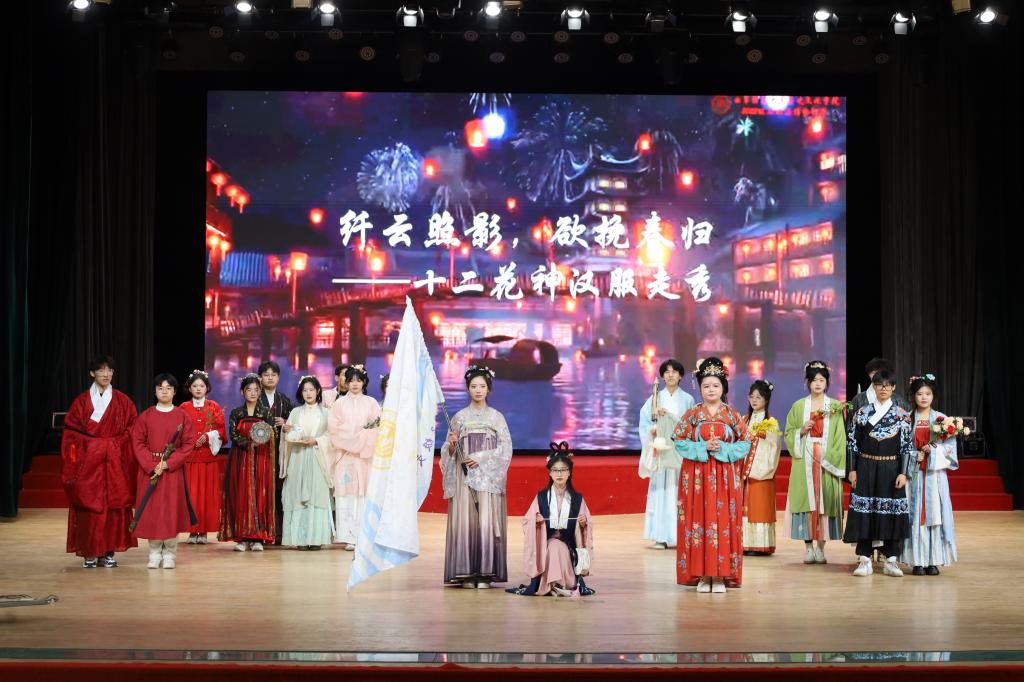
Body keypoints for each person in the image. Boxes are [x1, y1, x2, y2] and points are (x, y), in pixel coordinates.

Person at [672, 357, 751, 594]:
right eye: (706, 386)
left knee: (723, 521)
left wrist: (724, 449)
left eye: (715, 385)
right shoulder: (692, 414)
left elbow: (746, 442)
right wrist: (702, 447)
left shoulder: (732, 415)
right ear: (700, 388)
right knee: (699, 521)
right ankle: (702, 575)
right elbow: (679, 440)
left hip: (725, 477)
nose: (711, 390)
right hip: (698, 477)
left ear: (723, 387)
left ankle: (720, 575)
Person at [61, 355, 138, 568]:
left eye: (110, 370)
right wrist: (95, 446)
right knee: (90, 505)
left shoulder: (123, 401)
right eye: (101, 370)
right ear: (92, 373)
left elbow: (133, 429)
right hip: (88, 464)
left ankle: (109, 551)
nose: (106, 374)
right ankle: (90, 551)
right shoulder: (81, 402)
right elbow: (71, 433)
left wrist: (113, 445)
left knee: (113, 506)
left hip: (115, 462)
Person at [439, 365, 513, 588]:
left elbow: (506, 449)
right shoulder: (459, 417)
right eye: (473, 386)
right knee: (466, 520)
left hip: (487, 477)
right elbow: (448, 452)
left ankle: (485, 573)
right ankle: (466, 572)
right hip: (464, 477)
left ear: (489, 388)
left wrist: (481, 457)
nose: (478, 390)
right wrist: (452, 445)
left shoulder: (497, 417)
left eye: (482, 386)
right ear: (468, 388)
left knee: (486, 520)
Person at [844, 369, 914, 577]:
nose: (883, 388)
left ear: (893, 387)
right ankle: (864, 559)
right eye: (879, 384)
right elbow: (852, 443)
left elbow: (907, 446)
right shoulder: (862, 412)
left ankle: (891, 559)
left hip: (891, 468)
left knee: (891, 511)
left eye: (887, 385)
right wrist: (852, 470)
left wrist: (904, 473)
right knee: (864, 511)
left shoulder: (902, 415)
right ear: (873, 387)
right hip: (865, 466)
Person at [507, 443, 595, 597]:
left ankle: (556, 584)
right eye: (555, 470)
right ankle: (558, 584)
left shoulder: (577, 499)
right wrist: (536, 521)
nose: (559, 474)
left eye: (563, 470)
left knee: (558, 547)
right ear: (550, 472)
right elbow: (527, 521)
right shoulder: (541, 497)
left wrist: (583, 524)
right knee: (554, 546)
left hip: (569, 544)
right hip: (546, 543)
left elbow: (586, 526)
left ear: (569, 472)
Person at [783, 362, 847, 565]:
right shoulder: (798, 406)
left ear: (827, 382)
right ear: (807, 383)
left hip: (826, 458)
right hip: (805, 457)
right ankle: (809, 548)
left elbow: (840, 436)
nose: (818, 384)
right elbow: (788, 432)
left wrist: (831, 456)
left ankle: (821, 548)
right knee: (807, 503)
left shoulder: (835, 406)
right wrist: (801, 430)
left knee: (824, 503)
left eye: (822, 380)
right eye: (814, 380)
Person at [130, 374, 196, 569]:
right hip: (151, 471)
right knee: (152, 512)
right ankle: (154, 553)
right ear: (155, 391)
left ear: (174, 392)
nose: (164, 391)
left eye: (168, 388)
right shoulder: (146, 416)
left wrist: (169, 463)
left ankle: (169, 554)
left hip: (172, 472)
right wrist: (152, 465)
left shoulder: (182, 416)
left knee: (170, 511)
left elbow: (188, 444)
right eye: (160, 388)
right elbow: (137, 442)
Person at [901, 374, 958, 575]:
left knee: (935, 514)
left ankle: (933, 560)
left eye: (928, 393)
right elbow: (900, 448)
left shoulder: (942, 420)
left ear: (934, 395)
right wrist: (913, 455)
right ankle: (916, 560)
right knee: (915, 514)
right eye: (919, 393)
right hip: (914, 475)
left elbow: (950, 449)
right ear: (913, 396)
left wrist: (932, 450)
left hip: (934, 476)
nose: (924, 397)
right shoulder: (906, 420)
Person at [638, 359, 695, 549]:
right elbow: (645, 422)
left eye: (674, 372)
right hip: (662, 452)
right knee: (661, 492)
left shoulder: (687, 399)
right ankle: (660, 536)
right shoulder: (655, 398)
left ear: (680, 375)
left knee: (679, 492)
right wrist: (653, 430)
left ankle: (682, 535)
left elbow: (690, 425)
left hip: (678, 452)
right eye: (667, 372)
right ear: (662, 376)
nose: (670, 375)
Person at [220, 374, 277, 552]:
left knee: (260, 493)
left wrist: (261, 441)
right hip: (241, 457)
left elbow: (271, 432)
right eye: (248, 390)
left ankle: (258, 537)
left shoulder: (265, 413)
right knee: (242, 493)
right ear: (242, 392)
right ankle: (243, 537)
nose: (252, 393)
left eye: (256, 390)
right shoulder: (237, 413)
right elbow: (233, 435)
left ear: (260, 392)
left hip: (261, 458)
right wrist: (249, 443)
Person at [327, 364, 380, 549]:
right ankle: (349, 536)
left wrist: (359, 437)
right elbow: (334, 429)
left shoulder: (371, 403)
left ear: (364, 382)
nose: (355, 384)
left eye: (358, 380)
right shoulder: (339, 404)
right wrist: (357, 435)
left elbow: (377, 429)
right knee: (347, 494)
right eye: (351, 380)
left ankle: (365, 536)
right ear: (346, 383)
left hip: (365, 456)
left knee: (364, 493)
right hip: (346, 456)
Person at [280, 376, 334, 550]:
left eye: (311, 390)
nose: (308, 393)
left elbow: (331, 436)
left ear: (318, 391)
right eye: (305, 390)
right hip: (298, 456)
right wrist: (286, 431)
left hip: (318, 456)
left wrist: (317, 440)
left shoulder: (326, 412)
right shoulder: (295, 412)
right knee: (297, 494)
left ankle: (316, 539)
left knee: (316, 495)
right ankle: (300, 539)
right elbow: (289, 435)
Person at [179, 369, 226, 545]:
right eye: (195, 386)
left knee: (206, 496)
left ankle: (204, 531)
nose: (198, 389)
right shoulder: (183, 408)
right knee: (191, 495)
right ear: (189, 388)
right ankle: (192, 531)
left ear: (207, 388)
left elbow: (221, 430)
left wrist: (208, 436)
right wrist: (189, 439)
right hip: (190, 459)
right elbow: (177, 430)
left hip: (208, 459)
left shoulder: (214, 407)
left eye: (202, 386)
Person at [741, 380, 782, 556]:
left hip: (761, 471)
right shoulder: (744, 420)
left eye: (758, 397)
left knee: (759, 506)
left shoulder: (771, 422)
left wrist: (760, 468)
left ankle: (760, 544)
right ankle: (744, 543)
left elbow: (774, 448)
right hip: (744, 470)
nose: (754, 400)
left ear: (766, 399)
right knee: (744, 507)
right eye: (752, 396)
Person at [257, 360, 293, 545]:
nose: (270, 378)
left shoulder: (284, 400)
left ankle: (279, 532)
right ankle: (261, 532)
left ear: (278, 377)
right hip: (260, 453)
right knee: (261, 491)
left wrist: (285, 422)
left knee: (279, 492)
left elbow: (295, 424)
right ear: (260, 378)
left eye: (273, 375)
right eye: (266, 375)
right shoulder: (254, 399)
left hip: (280, 453)